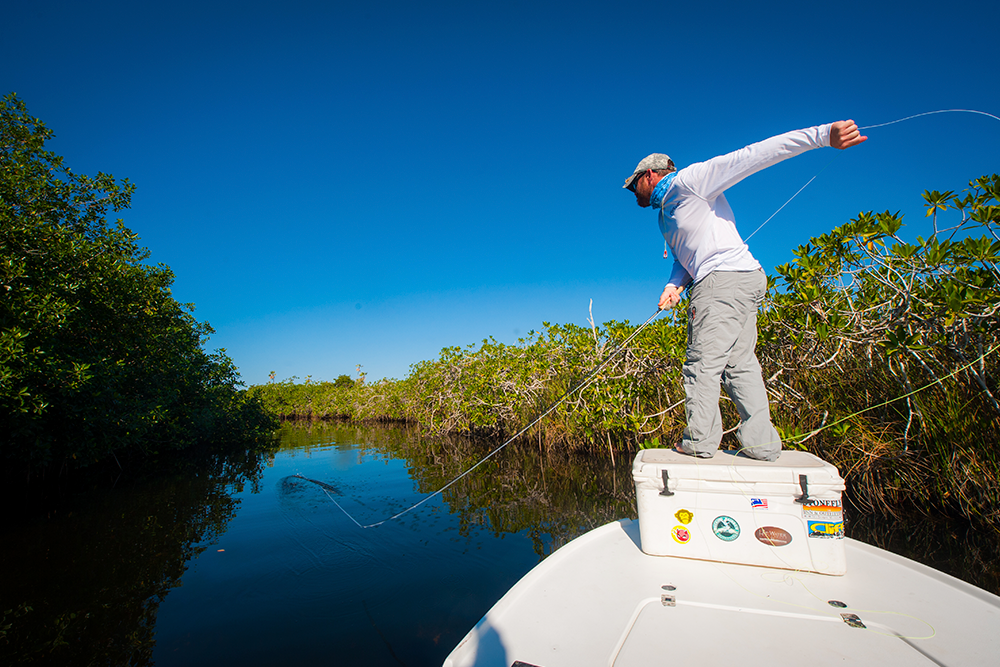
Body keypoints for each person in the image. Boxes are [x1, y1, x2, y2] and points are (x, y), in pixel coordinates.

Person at [623, 120, 867, 461]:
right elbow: (686, 257)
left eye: (634, 185)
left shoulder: (689, 182)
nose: (633, 193)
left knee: (701, 363)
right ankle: (761, 444)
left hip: (722, 281)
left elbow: (753, 156)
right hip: (737, 279)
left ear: (650, 175)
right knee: (739, 364)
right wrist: (672, 286)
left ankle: (699, 441)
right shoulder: (666, 215)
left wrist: (823, 136)